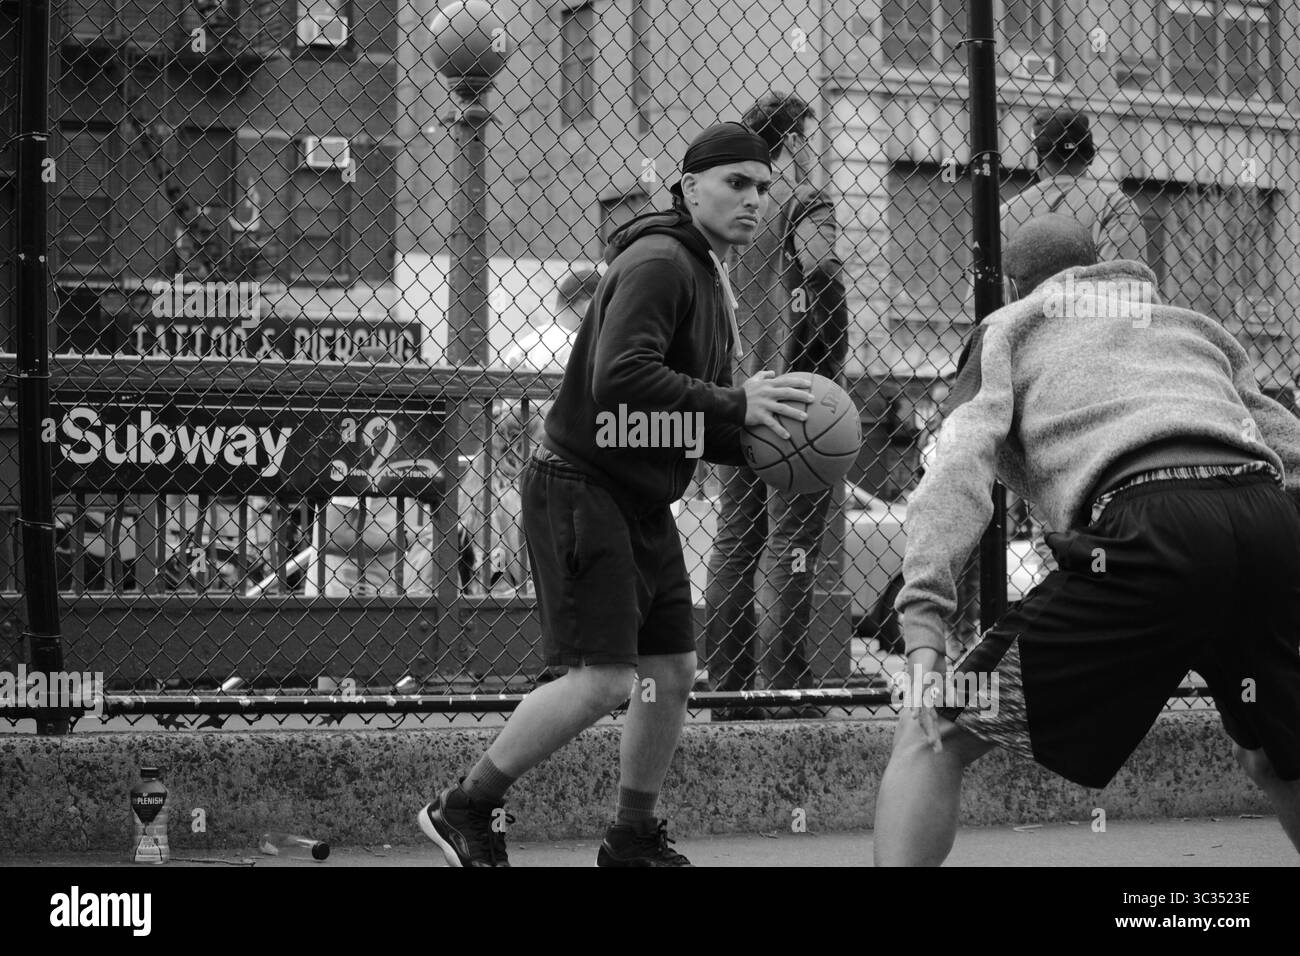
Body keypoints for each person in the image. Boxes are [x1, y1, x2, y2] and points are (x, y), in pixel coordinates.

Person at [419, 122, 816, 867]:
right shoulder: (663, 261)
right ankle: (464, 804)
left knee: (669, 673)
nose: (755, 199)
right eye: (737, 182)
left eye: (764, 186)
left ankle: (632, 836)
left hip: (638, 494)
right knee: (603, 679)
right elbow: (620, 381)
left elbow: (670, 415)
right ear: (690, 186)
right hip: (583, 487)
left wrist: (766, 438)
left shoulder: (707, 271)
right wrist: (736, 404)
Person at [873, 213, 1300, 866]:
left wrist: (925, 616)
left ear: (1015, 286)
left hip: (1151, 529)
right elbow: (1288, 447)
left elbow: (958, 463)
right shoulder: (1189, 325)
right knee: (1278, 754)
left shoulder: (1007, 329)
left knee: (933, 733)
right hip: (1264, 521)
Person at [703, 92, 847, 716]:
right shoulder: (802, 199)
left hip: (739, 392)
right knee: (793, 541)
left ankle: (730, 688)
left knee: (737, 539)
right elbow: (820, 268)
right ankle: (786, 685)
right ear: (794, 138)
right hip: (797, 396)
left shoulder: (729, 212)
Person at [1001, 108, 1147, 263]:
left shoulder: (1005, 214)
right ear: (1089, 156)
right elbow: (1124, 282)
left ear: (1038, 156)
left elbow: (982, 285)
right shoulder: (1115, 205)